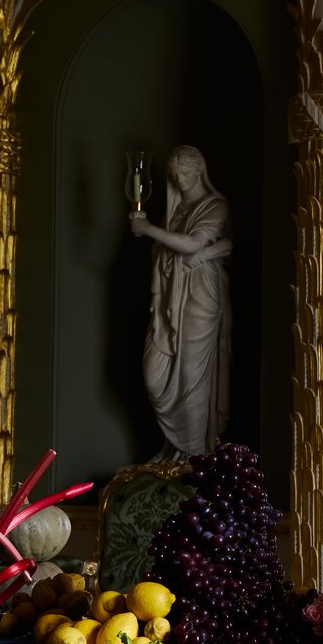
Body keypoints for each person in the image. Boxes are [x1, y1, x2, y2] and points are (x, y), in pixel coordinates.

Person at [129, 145, 232, 459]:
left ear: (199, 169)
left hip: (200, 296)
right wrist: (158, 297)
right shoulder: (174, 213)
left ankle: (193, 456)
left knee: (192, 375)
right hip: (169, 301)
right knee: (154, 375)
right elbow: (164, 257)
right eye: (174, 175)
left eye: (185, 172)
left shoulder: (214, 206)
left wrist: (147, 229)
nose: (180, 179)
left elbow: (192, 244)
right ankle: (175, 447)